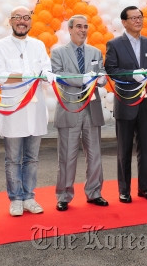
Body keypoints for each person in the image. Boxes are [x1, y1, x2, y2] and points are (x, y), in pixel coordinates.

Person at [0, 6, 51, 216]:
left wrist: (41, 75)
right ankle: (15, 198)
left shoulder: (38, 44)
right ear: (11, 21)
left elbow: (46, 70)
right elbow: (0, 76)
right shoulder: (0, 46)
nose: (22, 21)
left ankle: (29, 197)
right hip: (13, 108)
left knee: (32, 158)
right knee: (14, 158)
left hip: (35, 109)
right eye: (18, 17)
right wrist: (29, 75)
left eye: (26, 18)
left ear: (30, 22)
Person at [104, 6, 147, 203]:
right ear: (124, 22)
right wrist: (131, 75)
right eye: (134, 18)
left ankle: (145, 188)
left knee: (146, 148)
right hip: (126, 102)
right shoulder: (114, 44)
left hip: (146, 103)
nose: (138, 21)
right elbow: (111, 69)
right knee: (124, 149)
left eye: (140, 17)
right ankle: (124, 190)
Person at [51, 15, 108, 211]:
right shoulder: (58, 52)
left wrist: (101, 79)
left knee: (95, 155)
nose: (82, 30)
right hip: (69, 109)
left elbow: (101, 72)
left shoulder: (95, 51)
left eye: (85, 27)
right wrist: (84, 79)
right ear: (70, 29)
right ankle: (64, 195)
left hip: (92, 110)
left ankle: (94, 193)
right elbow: (59, 76)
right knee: (67, 156)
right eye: (78, 27)